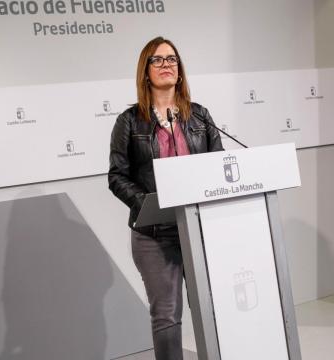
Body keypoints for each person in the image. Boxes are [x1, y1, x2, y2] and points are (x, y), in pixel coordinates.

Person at [108, 36, 223, 359]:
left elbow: (219, 164)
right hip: (154, 235)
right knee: (167, 318)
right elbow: (116, 175)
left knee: (212, 308)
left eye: (171, 59)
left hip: (198, 228)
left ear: (180, 70)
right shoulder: (129, 122)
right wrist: (147, 204)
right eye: (157, 60)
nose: (166, 65)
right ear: (145, 71)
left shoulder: (199, 116)